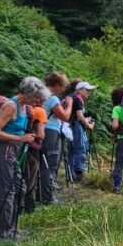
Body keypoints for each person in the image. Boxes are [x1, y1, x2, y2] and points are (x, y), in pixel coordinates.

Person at [0, 77, 49, 240]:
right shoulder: (10, 106)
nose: (37, 102)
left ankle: (12, 228)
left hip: (13, 151)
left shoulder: (24, 107)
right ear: (27, 93)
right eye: (36, 98)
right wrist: (19, 138)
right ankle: (6, 233)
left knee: (20, 188)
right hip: (3, 150)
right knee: (7, 190)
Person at [40, 72, 72, 204]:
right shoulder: (52, 98)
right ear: (57, 84)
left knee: (41, 164)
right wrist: (69, 104)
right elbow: (65, 116)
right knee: (50, 164)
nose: (63, 90)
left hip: (40, 130)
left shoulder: (40, 95)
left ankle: (38, 194)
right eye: (62, 86)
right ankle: (47, 197)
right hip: (51, 132)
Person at [66, 80, 97, 183]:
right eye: (87, 90)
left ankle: (70, 174)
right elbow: (79, 115)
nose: (89, 92)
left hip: (69, 126)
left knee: (71, 150)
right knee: (80, 148)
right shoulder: (78, 99)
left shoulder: (72, 97)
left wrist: (86, 120)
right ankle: (78, 173)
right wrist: (88, 125)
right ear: (80, 90)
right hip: (75, 126)